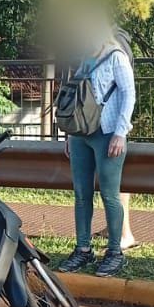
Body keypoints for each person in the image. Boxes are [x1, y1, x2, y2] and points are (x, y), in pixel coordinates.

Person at [58, 30, 136, 277]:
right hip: (82, 133)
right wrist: (69, 135)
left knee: (110, 196)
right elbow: (78, 96)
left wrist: (120, 133)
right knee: (81, 194)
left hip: (108, 133)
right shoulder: (85, 57)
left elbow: (128, 93)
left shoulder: (116, 56)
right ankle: (83, 249)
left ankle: (114, 252)